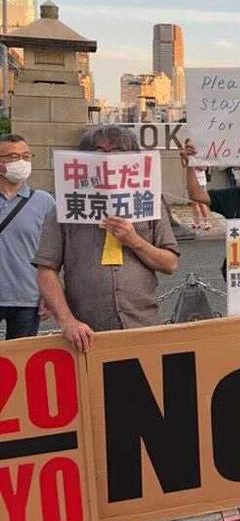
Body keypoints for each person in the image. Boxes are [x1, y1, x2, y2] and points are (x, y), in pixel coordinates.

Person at [35, 126, 180, 352]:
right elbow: (46, 269)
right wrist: (67, 321)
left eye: (118, 151)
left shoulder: (150, 203)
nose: (107, 158)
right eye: (99, 150)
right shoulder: (63, 207)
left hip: (142, 324)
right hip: (85, 333)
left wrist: (135, 240)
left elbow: (170, 264)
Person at [0, 134, 56, 339]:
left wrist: (51, 294)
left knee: (20, 364)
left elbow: (54, 252)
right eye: (13, 157)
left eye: (26, 156)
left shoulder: (45, 201)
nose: (21, 162)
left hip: (27, 298)